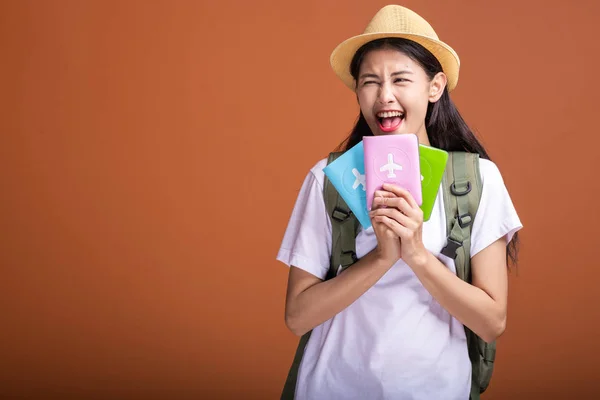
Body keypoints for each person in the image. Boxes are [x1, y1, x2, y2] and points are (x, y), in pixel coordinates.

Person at [275, 4, 523, 400]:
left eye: (401, 79)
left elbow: (492, 321)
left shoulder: (478, 180)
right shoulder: (328, 178)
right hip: (330, 388)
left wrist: (417, 254)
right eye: (370, 81)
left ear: (435, 87)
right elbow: (297, 316)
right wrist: (381, 258)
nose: (384, 96)